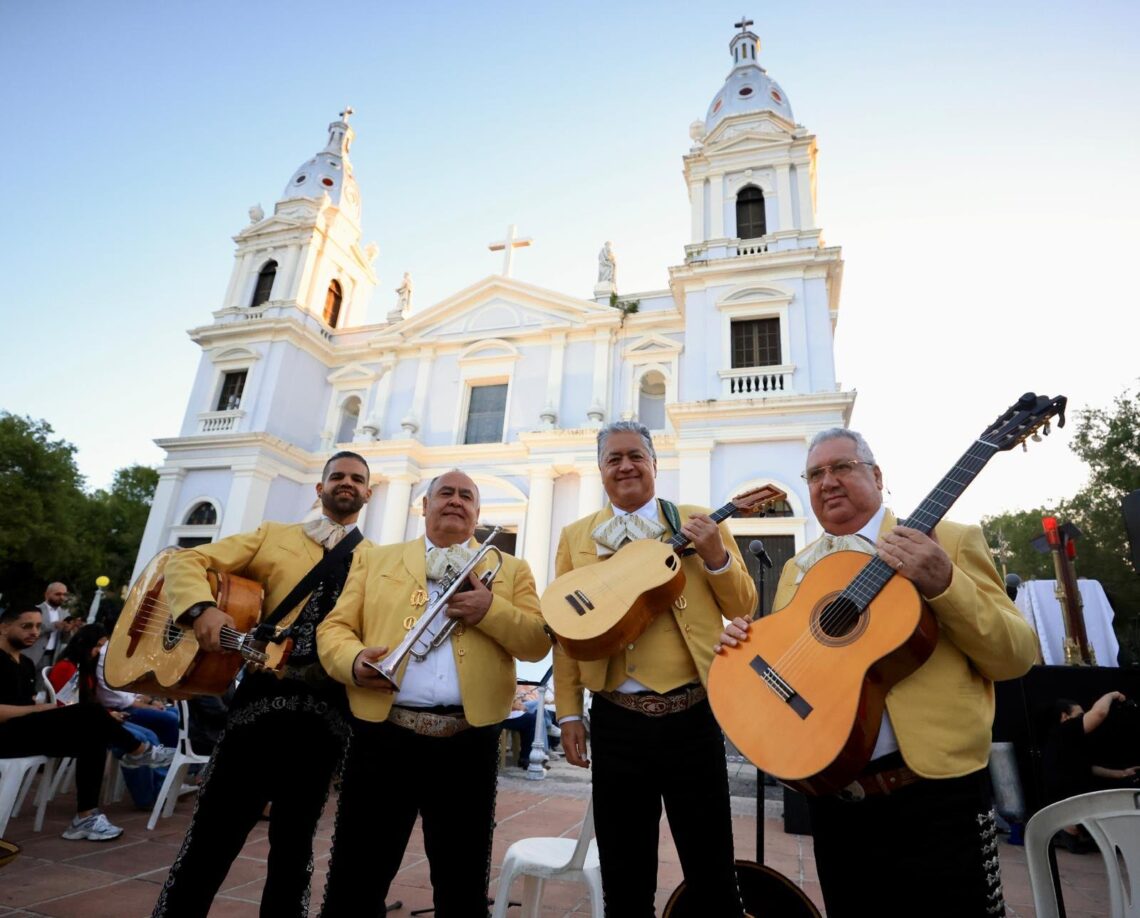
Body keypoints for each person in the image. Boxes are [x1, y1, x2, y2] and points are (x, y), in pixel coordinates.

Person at [717, 427, 1039, 917]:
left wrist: (946, 583)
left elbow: (1015, 655)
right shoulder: (799, 570)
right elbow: (797, 667)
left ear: (877, 475)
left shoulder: (948, 541)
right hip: (836, 799)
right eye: (815, 474)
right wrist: (746, 649)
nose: (828, 482)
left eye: (842, 467)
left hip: (933, 796)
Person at [151, 451, 374, 918]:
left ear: (368, 493)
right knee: (215, 830)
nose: (346, 483)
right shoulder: (274, 535)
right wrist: (201, 609)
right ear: (320, 488)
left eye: (357, 478)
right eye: (337, 476)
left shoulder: (379, 560)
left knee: (294, 844)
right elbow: (186, 559)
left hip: (325, 713)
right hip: (258, 700)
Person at [318, 469, 549, 917]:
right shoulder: (377, 559)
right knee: (358, 872)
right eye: (445, 492)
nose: (456, 501)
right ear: (425, 506)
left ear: (478, 514)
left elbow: (537, 641)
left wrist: (490, 610)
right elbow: (336, 628)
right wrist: (354, 659)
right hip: (384, 734)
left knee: (461, 880)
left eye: (467, 495)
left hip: (468, 741)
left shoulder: (511, 569)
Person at [552, 420, 755, 917]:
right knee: (624, 869)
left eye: (635, 456)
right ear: (600, 470)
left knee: (711, 866)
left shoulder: (699, 521)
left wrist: (714, 556)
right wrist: (569, 712)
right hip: (617, 719)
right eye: (613, 458)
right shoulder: (577, 536)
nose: (625, 466)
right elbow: (565, 632)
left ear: (654, 465)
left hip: (692, 714)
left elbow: (744, 602)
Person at [0, 608, 174, 841]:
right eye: (26, 626)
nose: (35, 632)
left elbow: (30, 703)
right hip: (6, 737)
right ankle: (138, 751)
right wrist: (39, 708)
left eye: (38, 626)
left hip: (26, 731)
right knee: (91, 711)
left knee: (93, 735)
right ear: (3, 627)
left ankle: (86, 817)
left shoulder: (27, 664)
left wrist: (44, 709)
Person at [1042, 691, 1140, 852]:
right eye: (1079, 715)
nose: (1083, 718)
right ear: (1064, 716)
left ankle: (1072, 829)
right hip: (1068, 797)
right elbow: (1099, 713)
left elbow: (1086, 767)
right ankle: (1069, 828)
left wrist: (1121, 773)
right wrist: (1112, 695)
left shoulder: (1062, 742)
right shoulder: (1065, 730)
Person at [23, 582, 77, 673]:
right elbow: (27, 633)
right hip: (31, 654)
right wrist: (53, 626)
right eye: (58, 594)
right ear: (47, 594)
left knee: (41, 685)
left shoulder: (65, 613)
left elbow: (65, 640)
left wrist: (67, 631)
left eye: (64, 594)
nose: (62, 597)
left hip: (51, 657)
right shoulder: (35, 610)